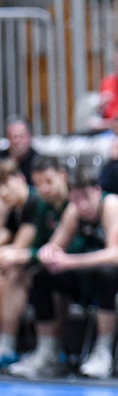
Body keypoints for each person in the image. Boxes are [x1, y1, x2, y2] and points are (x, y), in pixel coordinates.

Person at [8, 164, 118, 379]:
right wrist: (48, 254)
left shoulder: (112, 205)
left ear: (97, 190)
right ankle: (48, 352)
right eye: (76, 199)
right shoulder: (74, 210)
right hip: (94, 272)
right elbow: (54, 246)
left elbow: (116, 255)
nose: (82, 205)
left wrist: (69, 261)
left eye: (86, 197)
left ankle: (103, 351)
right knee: (42, 276)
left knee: (107, 273)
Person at [0, 156, 66, 365]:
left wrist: (21, 255)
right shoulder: (17, 208)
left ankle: (9, 345)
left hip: (59, 265)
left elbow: (23, 247)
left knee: (14, 274)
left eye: (5, 184)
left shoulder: (36, 203)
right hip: (42, 262)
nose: (3, 192)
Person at [4, 117, 35, 184]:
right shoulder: (2, 159)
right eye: (13, 137)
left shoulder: (38, 161)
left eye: (21, 136)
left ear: (30, 137)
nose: (17, 141)